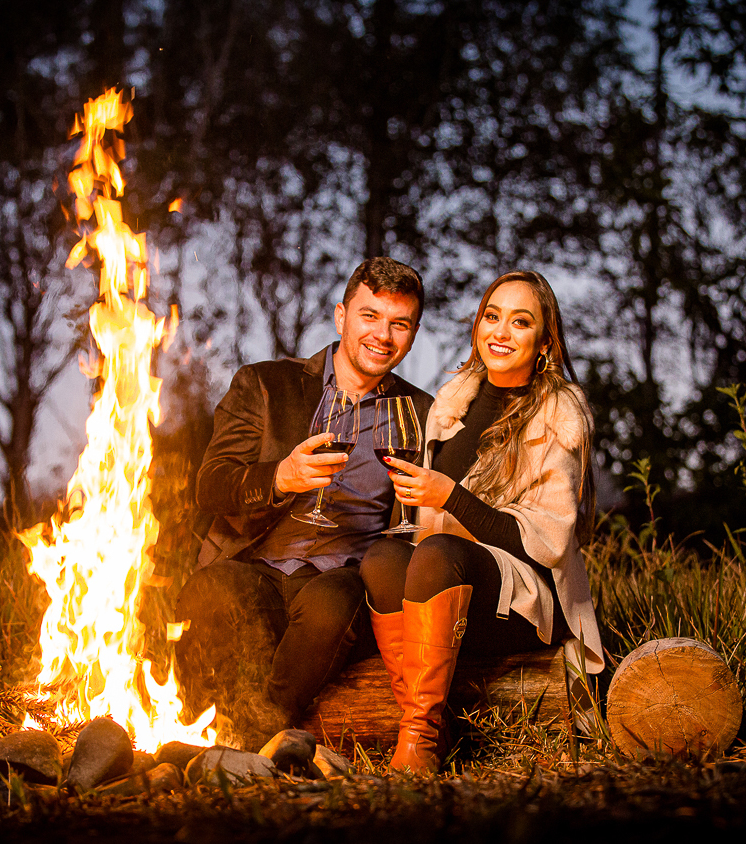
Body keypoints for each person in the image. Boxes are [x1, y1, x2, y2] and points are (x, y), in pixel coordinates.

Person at [175, 257, 434, 749]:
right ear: (341, 317)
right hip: (262, 563)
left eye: (399, 324)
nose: (383, 335)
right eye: (370, 316)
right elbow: (211, 485)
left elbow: (421, 520)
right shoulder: (266, 385)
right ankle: (188, 725)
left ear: (414, 333)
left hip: (346, 575)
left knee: (330, 602)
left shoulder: (420, 415)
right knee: (213, 588)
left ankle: (251, 742)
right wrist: (280, 477)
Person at [360, 270, 603, 774]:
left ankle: (417, 744)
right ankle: (428, 723)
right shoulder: (452, 406)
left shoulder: (557, 414)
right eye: (492, 317)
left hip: (530, 599)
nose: (500, 332)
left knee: (436, 553)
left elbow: (548, 543)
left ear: (544, 342)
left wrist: (451, 496)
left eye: (520, 322)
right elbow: (424, 521)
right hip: (448, 584)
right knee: (383, 557)